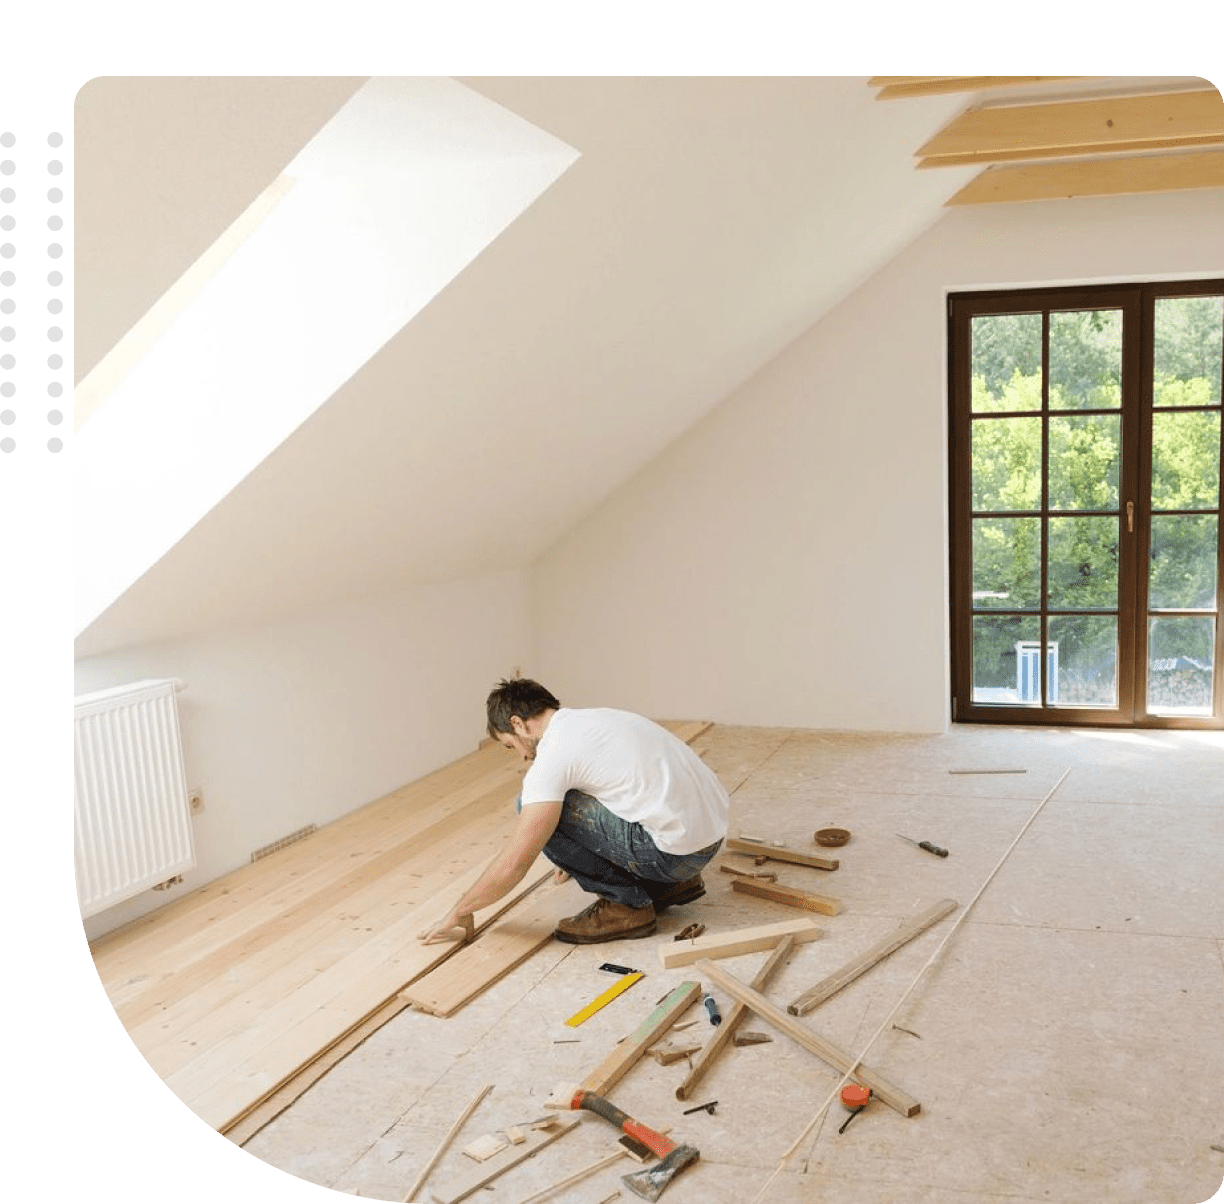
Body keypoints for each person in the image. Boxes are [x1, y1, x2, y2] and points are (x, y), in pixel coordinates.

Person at [420, 678, 728, 945]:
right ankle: (673, 885)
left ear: (517, 723)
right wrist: (583, 849)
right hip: (709, 841)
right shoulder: (598, 719)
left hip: (673, 858)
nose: (523, 755)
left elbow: (514, 864)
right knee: (559, 798)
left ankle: (627, 906)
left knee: (531, 805)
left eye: (511, 745)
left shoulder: (553, 756)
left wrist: (461, 910)